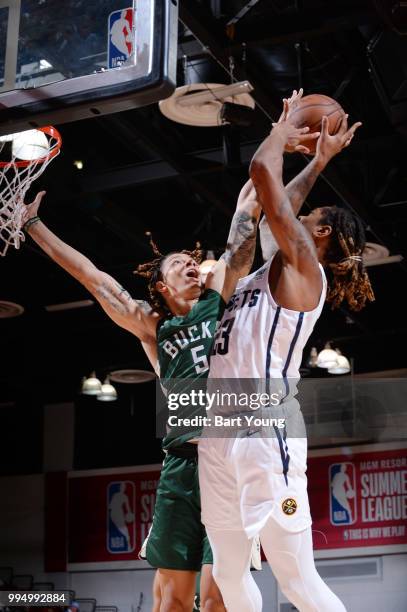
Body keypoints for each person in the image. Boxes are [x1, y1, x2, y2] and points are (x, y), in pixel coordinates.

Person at [20, 178, 263, 612]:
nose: (191, 264)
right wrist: (34, 224)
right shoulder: (154, 328)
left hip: (231, 463)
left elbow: (244, 222)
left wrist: (272, 157)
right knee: (169, 600)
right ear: (163, 287)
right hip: (182, 469)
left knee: (215, 599)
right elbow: (93, 279)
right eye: (179, 265)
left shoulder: (218, 299)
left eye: (193, 261)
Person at [198, 93, 374, 611]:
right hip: (218, 431)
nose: (296, 215)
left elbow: (264, 178)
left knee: (296, 579)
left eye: (307, 217)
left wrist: (284, 127)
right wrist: (317, 159)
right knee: (228, 573)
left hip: (263, 427)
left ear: (319, 232)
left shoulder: (305, 272)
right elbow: (263, 201)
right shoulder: (257, 273)